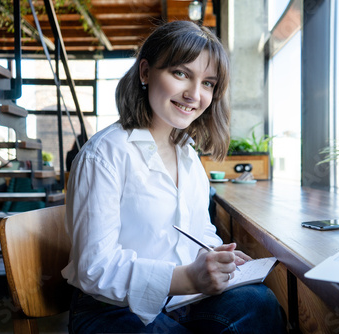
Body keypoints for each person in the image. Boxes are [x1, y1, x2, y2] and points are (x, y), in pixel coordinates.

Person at [62, 21, 286, 333]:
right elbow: (93, 269)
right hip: (110, 310)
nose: (194, 94)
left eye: (208, 83)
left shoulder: (187, 154)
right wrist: (187, 278)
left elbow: (198, 232)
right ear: (145, 73)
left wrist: (218, 258)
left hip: (178, 301)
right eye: (181, 73)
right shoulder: (104, 154)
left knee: (261, 306)